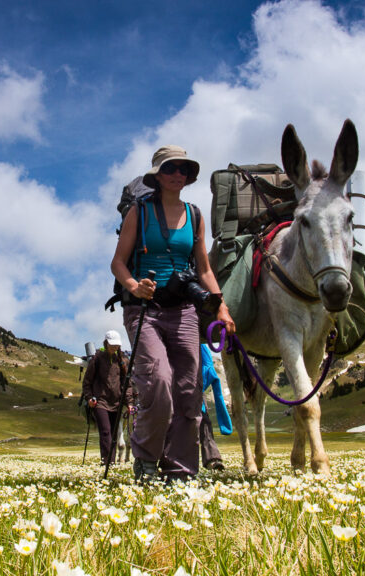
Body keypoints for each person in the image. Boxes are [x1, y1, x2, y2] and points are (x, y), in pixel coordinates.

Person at [110, 145, 236, 483]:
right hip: (145, 310)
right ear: (157, 175)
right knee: (159, 382)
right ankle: (147, 459)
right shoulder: (139, 212)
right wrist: (134, 286)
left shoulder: (195, 215)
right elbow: (118, 262)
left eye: (183, 169)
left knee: (188, 391)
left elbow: (205, 269)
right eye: (170, 168)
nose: (177, 174)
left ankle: (180, 470)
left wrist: (221, 307)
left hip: (185, 311)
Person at [82, 330, 132, 466]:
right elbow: (87, 382)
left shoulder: (122, 361)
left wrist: (129, 402)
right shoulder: (97, 358)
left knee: (114, 435)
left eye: (117, 345)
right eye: (112, 345)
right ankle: (107, 463)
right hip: (100, 402)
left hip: (116, 402)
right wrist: (89, 398)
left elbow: (126, 384)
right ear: (106, 343)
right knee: (105, 432)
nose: (114, 347)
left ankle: (111, 463)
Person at [199, 343, 231, 471]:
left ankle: (212, 459)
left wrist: (199, 386)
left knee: (204, 421)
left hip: (195, 387)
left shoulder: (200, 346)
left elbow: (208, 367)